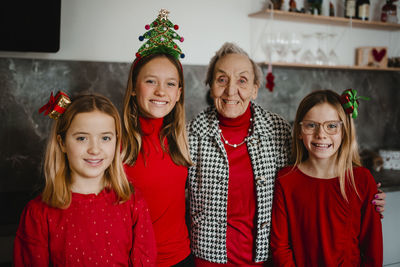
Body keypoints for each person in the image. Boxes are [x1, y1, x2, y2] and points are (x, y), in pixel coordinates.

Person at [187, 43, 386, 266]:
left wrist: (368, 195)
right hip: (209, 260)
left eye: (242, 80)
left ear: (255, 88)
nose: (231, 90)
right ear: (210, 86)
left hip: (265, 259)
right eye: (221, 79)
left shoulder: (278, 129)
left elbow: (312, 174)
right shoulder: (191, 135)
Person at [13, 93, 157, 266]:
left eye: (105, 138)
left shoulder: (132, 202)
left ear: (117, 142)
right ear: (62, 143)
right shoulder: (38, 213)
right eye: (82, 138)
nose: (95, 150)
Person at [270, 89, 383, 266]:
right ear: (299, 131)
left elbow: (372, 250)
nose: (321, 134)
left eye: (331, 126)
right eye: (311, 125)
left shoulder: (361, 180)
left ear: (344, 131)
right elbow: (280, 247)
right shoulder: (285, 180)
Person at [122, 9, 193, 266]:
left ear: (179, 93)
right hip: (130, 260)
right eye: (151, 81)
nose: (161, 91)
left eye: (170, 84)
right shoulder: (116, 142)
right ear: (133, 87)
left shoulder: (182, 141)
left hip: (181, 258)